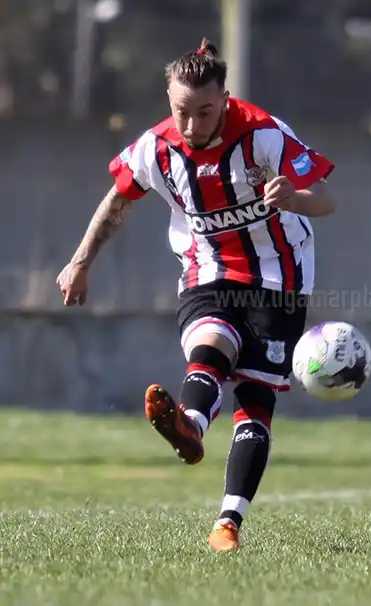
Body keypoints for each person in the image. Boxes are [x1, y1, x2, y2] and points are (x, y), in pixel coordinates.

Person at [56, 38, 336, 552]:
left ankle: (227, 523)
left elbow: (326, 198)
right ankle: (189, 425)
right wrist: (80, 261)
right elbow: (118, 201)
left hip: (280, 277)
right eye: (181, 111)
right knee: (211, 342)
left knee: (255, 398)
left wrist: (295, 197)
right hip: (206, 269)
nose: (191, 125)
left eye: (204, 112)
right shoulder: (155, 147)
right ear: (168, 99)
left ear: (225, 99)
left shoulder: (265, 136)